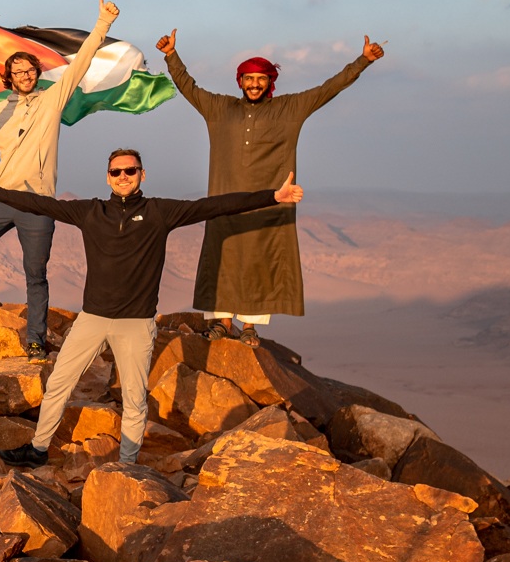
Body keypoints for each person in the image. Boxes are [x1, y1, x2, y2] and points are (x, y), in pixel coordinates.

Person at [0, 149, 303, 466]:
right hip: (93, 318)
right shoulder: (91, 211)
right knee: (59, 384)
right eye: (116, 171)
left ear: (142, 174)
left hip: (136, 324)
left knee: (134, 398)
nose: (123, 176)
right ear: (108, 177)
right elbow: (38, 204)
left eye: (130, 170)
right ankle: (38, 449)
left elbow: (214, 206)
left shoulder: (160, 212)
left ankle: (126, 465)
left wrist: (273, 196)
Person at [157, 30, 385, 345]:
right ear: (239, 82)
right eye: (248, 78)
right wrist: (171, 55)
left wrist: (363, 61)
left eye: (261, 79)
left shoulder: (289, 110)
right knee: (221, 254)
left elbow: (328, 89)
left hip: (269, 202)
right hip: (223, 200)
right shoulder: (220, 109)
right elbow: (189, 87)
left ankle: (249, 326)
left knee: (259, 258)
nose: (254, 84)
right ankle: (222, 322)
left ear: (270, 82)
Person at [0, 0, 120, 357]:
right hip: (0, 197)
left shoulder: (51, 101)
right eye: (18, 72)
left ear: (37, 74)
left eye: (29, 71)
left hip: (37, 203)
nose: (24, 76)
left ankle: (36, 338)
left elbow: (79, 65)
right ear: (9, 77)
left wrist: (102, 24)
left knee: (34, 275)